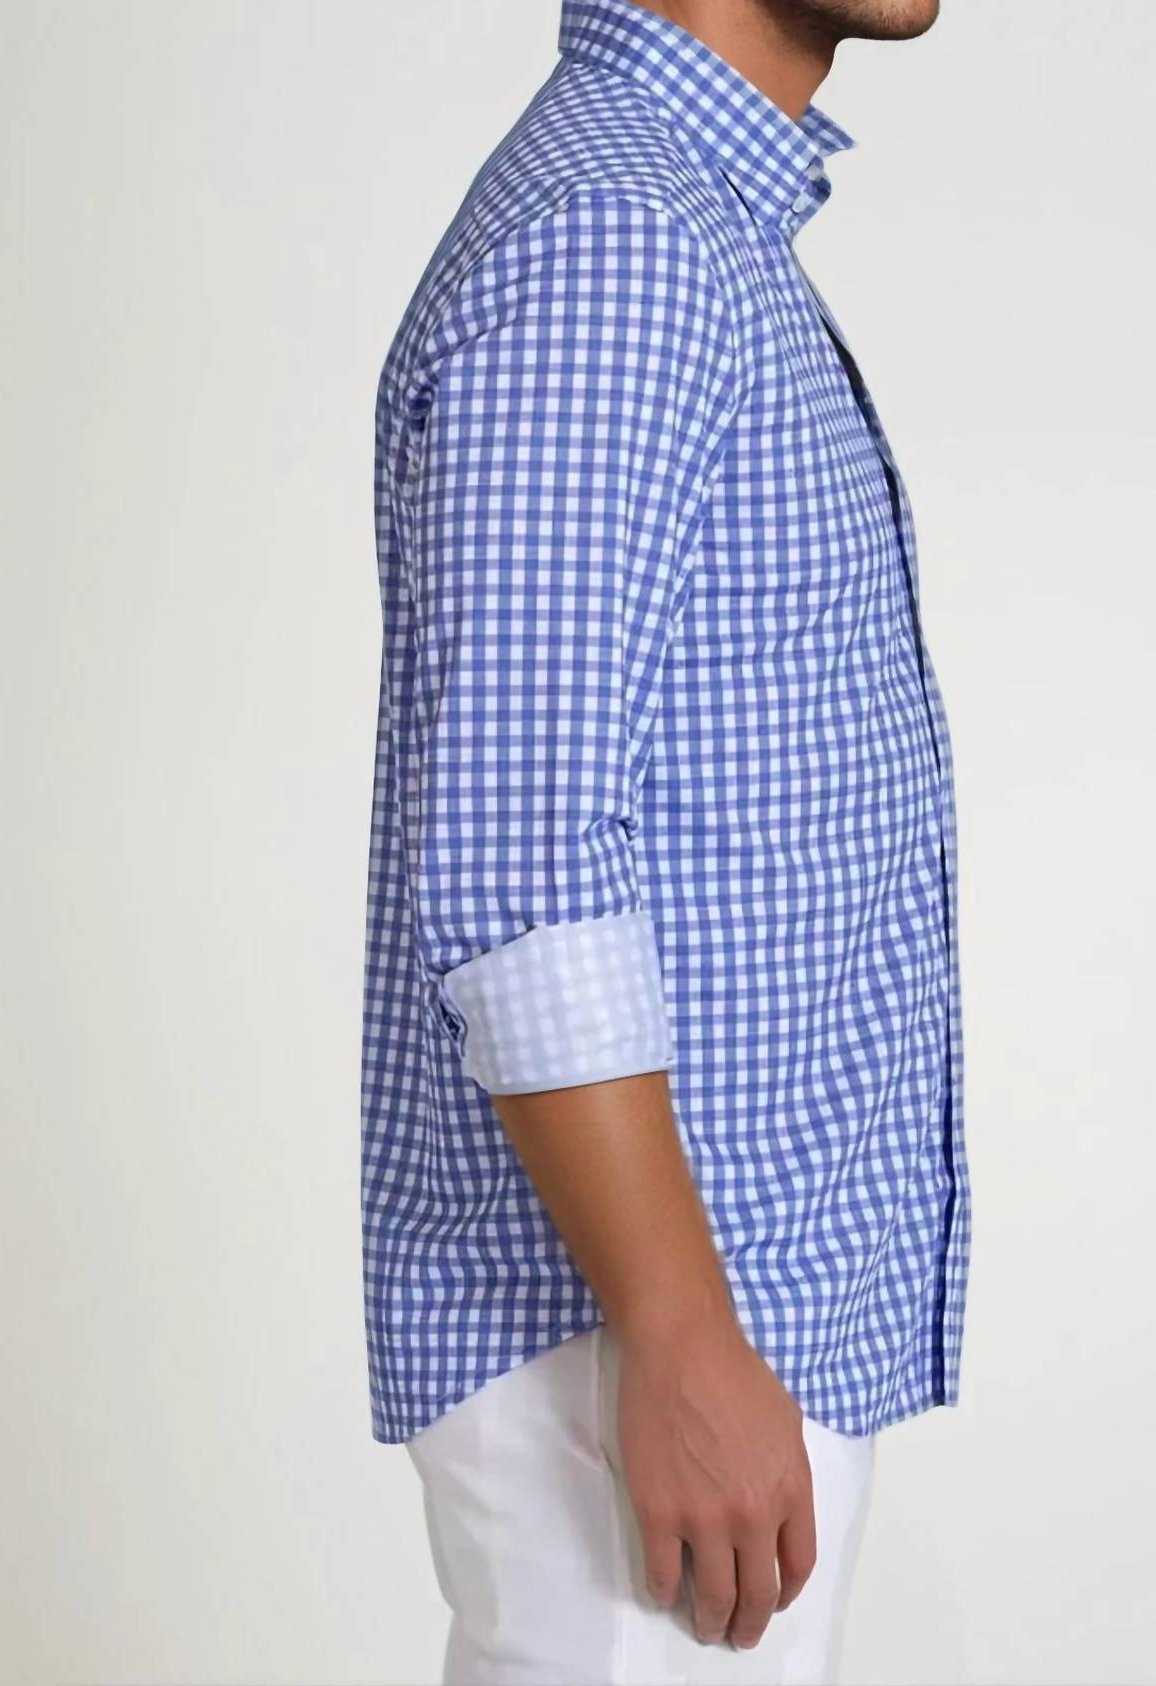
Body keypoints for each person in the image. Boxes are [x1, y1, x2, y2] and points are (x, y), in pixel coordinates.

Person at [362, 0, 971, 1678]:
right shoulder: (618, 243)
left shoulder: (690, 225)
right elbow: (525, 859)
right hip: (639, 1346)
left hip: (702, 1324)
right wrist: (676, 1323)